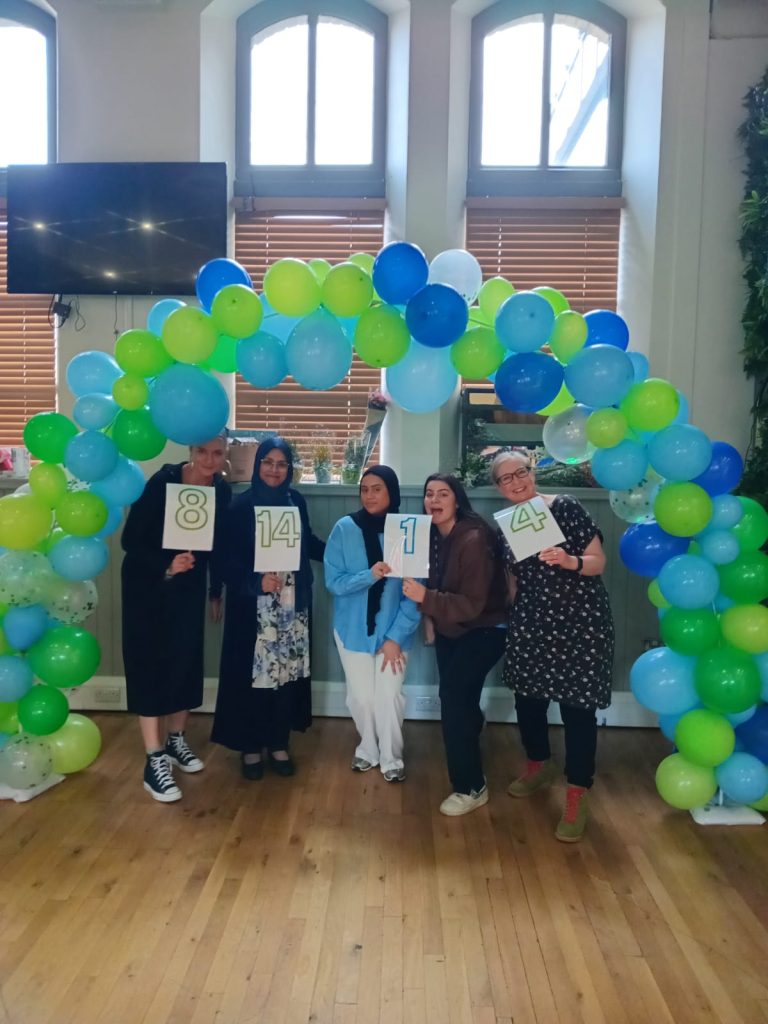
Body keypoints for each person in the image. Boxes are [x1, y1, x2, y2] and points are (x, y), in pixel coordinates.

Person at [492, 450, 615, 843]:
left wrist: (568, 560)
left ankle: (577, 791)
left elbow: (598, 561)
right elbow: (513, 580)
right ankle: (538, 765)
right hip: (532, 622)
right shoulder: (507, 525)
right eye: (506, 478)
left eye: (521, 473)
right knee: (528, 699)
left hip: (581, 623)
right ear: (498, 487)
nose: (516, 482)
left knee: (578, 708)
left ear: (532, 472)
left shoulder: (565, 506)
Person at [121, 433, 231, 803]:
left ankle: (176, 740)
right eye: (203, 451)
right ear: (190, 451)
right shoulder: (163, 482)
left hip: (188, 587)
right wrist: (166, 565)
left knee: (185, 659)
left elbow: (217, 547)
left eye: (217, 453)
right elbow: (131, 541)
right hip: (147, 587)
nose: (209, 460)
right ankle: (153, 759)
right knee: (150, 666)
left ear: (225, 455)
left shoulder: (221, 491)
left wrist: (215, 591)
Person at [211, 437, 325, 779]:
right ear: (258, 464)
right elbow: (225, 560)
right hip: (253, 606)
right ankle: (250, 746)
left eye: (281, 464)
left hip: (291, 604)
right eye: (268, 462)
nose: (274, 470)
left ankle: (278, 741)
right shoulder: (240, 506)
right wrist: (254, 582)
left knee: (285, 677)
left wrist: (343, 553)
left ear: (289, 469)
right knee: (253, 679)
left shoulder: (296, 501)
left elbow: (307, 542)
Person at [403, 474, 507, 816]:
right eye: (429, 494)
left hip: (486, 628)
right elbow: (434, 584)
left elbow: (473, 605)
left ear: (457, 500)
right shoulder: (432, 534)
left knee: (452, 698)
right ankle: (472, 725)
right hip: (451, 626)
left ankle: (471, 787)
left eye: (443, 494)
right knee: (460, 698)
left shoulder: (474, 538)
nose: (433, 500)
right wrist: (430, 618)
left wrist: (426, 599)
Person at [324, 466, 421, 782]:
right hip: (353, 630)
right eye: (364, 489)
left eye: (377, 489)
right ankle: (368, 749)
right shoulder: (344, 528)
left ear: (392, 492)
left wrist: (395, 638)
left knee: (388, 696)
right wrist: (370, 575)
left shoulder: (407, 531)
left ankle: (392, 757)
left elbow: (415, 593)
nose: (369, 496)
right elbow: (334, 582)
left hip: (394, 633)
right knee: (361, 698)